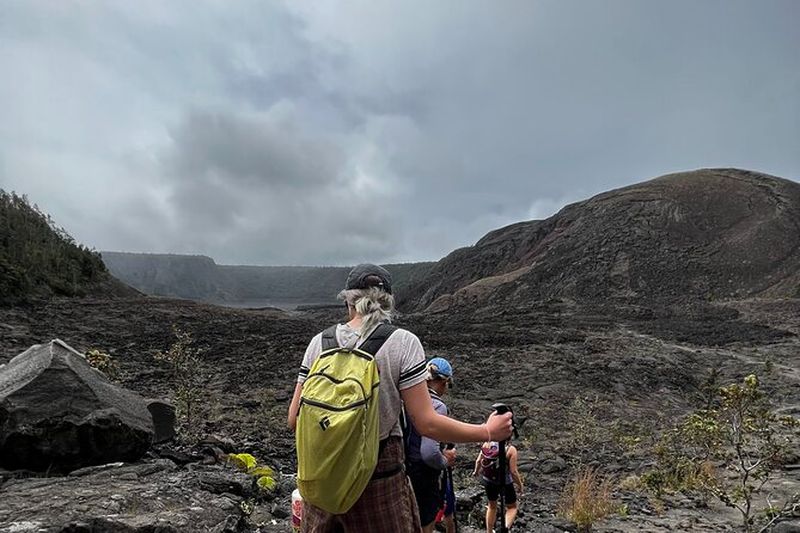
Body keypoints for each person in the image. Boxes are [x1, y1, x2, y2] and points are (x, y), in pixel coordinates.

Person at [288, 263, 513, 533]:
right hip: (378, 475)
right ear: (388, 303)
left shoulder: (318, 343)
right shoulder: (402, 342)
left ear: (348, 300)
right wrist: (488, 430)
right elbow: (427, 423)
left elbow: (294, 419)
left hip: (321, 478)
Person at [405, 357, 457, 533]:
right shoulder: (437, 406)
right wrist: (445, 461)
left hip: (403, 468)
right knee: (426, 520)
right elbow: (428, 452)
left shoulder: (408, 398)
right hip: (424, 474)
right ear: (443, 382)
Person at [473, 439, 524, 533]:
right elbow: (513, 472)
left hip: (489, 481)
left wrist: (476, 472)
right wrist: (520, 485)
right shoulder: (511, 449)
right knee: (512, 507)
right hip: (505, 482)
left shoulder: (487, 444)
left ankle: (489, 531)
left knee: (492, 505)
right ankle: (505, 528)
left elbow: (479, 460)